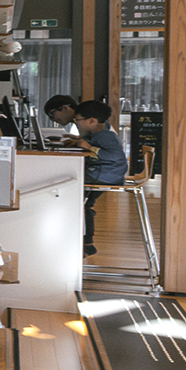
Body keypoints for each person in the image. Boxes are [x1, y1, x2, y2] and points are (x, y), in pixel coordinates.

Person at [56, 96, 130, 256]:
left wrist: (89, 147)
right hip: (104, 174)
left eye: (79, 120)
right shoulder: (98, 134)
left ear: (91, 121)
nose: (77, 123)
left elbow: (115, 156)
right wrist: (78, 141)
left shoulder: (105, 135)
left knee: (73, 194)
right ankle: (85, 241)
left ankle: (83, 242)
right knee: (83, 203)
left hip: (104, 175)